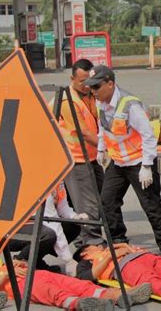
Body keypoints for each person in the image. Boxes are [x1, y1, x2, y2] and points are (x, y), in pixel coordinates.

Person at [84, 65, 161, 255]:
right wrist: (101, 149)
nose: (93, 91)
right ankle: (118, 242)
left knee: (151, 205)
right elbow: (103, 129)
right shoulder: (100, 103)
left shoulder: (130, 104)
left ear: (110, 83)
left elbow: (148, 135)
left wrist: (147, 165)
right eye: (91, 88)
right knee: (107, 202)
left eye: (96, 87)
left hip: (139, 162)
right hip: (118, 163)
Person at [0, 260, 151, 310]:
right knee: (56, 293)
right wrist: (6, 276)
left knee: (77, 284)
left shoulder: (2, 264)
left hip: (39, 274)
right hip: (21, 286)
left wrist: (18, 264)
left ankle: (118, 296)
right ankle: (82, 305)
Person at [55, 58, 104, 246]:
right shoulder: (68, 100)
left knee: (101, 198)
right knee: (87, 203)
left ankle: (88, 238)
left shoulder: (89, 95)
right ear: (72, 78)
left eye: (88, 81)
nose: (85, 85)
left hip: (91, 156)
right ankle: (92, 243)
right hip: (76, 159)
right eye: (81, 81)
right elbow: (82, 132)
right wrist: (105, 147)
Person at [43, 181, 88, 276]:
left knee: (72, 226)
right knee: (50, 235)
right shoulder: (43, 180)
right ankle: (23, 260)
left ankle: (36, 262)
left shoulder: (58, 179)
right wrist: (68, 259)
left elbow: (63, 207)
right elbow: (53, 223)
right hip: (20, 228)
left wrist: (75, 216)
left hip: (43, 223)